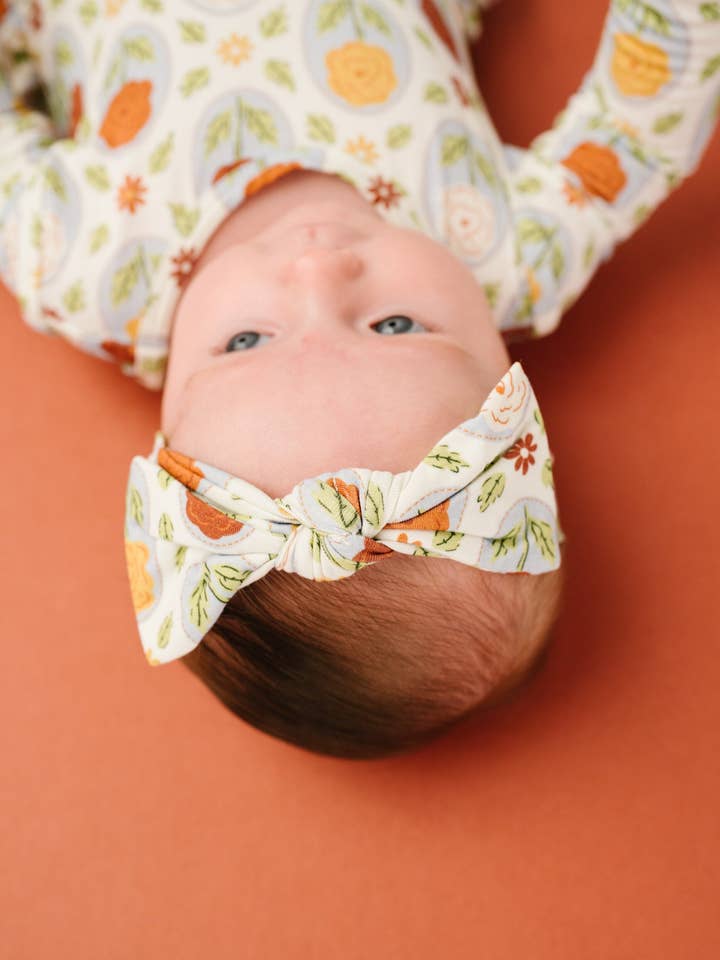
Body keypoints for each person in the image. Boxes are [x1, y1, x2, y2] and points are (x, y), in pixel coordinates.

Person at [1, 0, 718, 758]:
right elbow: (639, 120)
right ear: (506, 386)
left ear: (170, 414)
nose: (314, 268)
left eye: (246, 340)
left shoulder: (84, 266)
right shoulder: (500, 257)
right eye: (396, 326)